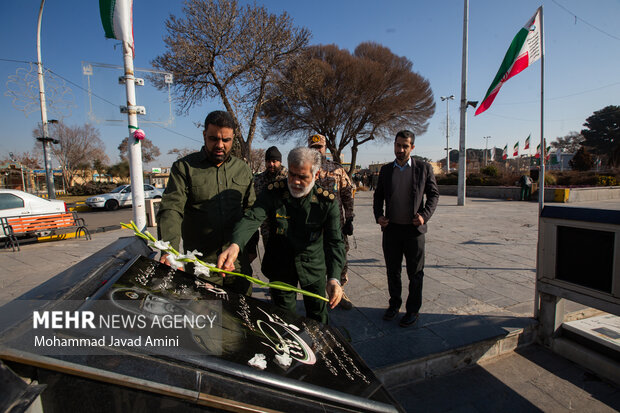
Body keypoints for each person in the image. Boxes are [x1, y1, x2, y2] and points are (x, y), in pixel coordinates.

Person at [217, 147, 345, 324]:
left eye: (303, 177)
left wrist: (334, 278)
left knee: (318, 317)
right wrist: (235, 245)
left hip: (313, 266)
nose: (295, 182)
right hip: (281, 265)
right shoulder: (273, 192)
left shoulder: (327, 202)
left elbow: (334, 242)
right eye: (292, 174)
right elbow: (252, 217)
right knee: (283, 319)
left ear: (316, 176)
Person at [157, 110, 255, 295]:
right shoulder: (184, 168)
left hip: (237, 265)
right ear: (204, 135)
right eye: (213, 139)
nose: (219, 145)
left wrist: (249, 248)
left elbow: (250, 211)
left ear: (233, 138)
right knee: (207, 319)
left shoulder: (242, 170)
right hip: (201, 267)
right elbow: (172, 208)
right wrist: (168, 249)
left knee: (240, 317)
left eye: (226, 140)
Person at [373, 130, 439, 327]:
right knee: (392, 271)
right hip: (392, 230)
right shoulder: (385, 170)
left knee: (415, 273)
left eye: (405, 146)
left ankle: (413, 311)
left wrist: (424, 215)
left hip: (413, 231)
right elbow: (378, 196)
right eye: (398, 145)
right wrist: (379, 215)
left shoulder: (423, 168)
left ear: (412, 147)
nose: (400, 150)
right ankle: (394, 305)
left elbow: (434, 195)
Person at [308, 134, 355, 310]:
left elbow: (348, 195)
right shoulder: (306, 169)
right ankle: (319, 292)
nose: (317, 150)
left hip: (337, 225)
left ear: (325, 148)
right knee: (316, 259)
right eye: (313, 147)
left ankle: (340, 291)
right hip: (313, 225)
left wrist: (350, 218)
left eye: (319, 147)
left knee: (340, 256)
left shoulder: (337, 170)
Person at [253, 146, 288, 248]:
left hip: (286, 227)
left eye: (274, 161)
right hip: (267, 229)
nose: (271, 164)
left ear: (280, 162)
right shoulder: (259, 179)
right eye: (268, 161)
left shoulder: (289, 177)